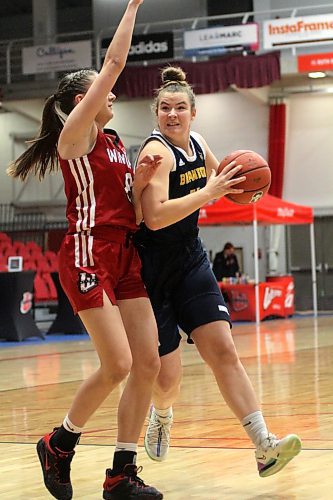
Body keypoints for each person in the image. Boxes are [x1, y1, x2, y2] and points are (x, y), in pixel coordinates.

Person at [7, 1, 164, 499]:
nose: (112, 91)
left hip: (126, 251)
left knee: (149, 364)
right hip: (87, 253)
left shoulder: (117, 140)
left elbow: (135, 215)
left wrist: (139, 183)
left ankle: (121, 472)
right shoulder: (78, 135)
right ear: (83, 97)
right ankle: (59, 441)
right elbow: (114, 64)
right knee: (117, 364)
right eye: (101, 88)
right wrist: (133, 6)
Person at [134, 66, 301, 479]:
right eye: (165, 109)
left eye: (180, 108)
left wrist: (244, 187)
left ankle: (264, 445)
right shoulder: (154, 154)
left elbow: (222, 177)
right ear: (157, 113)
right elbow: (153, 218)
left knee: (224, 351)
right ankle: (163, 414)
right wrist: (207, 192)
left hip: (190, 260)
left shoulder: (197, 143)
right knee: (167, 378)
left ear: (193, 113)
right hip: (152, 271)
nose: (173, 115)